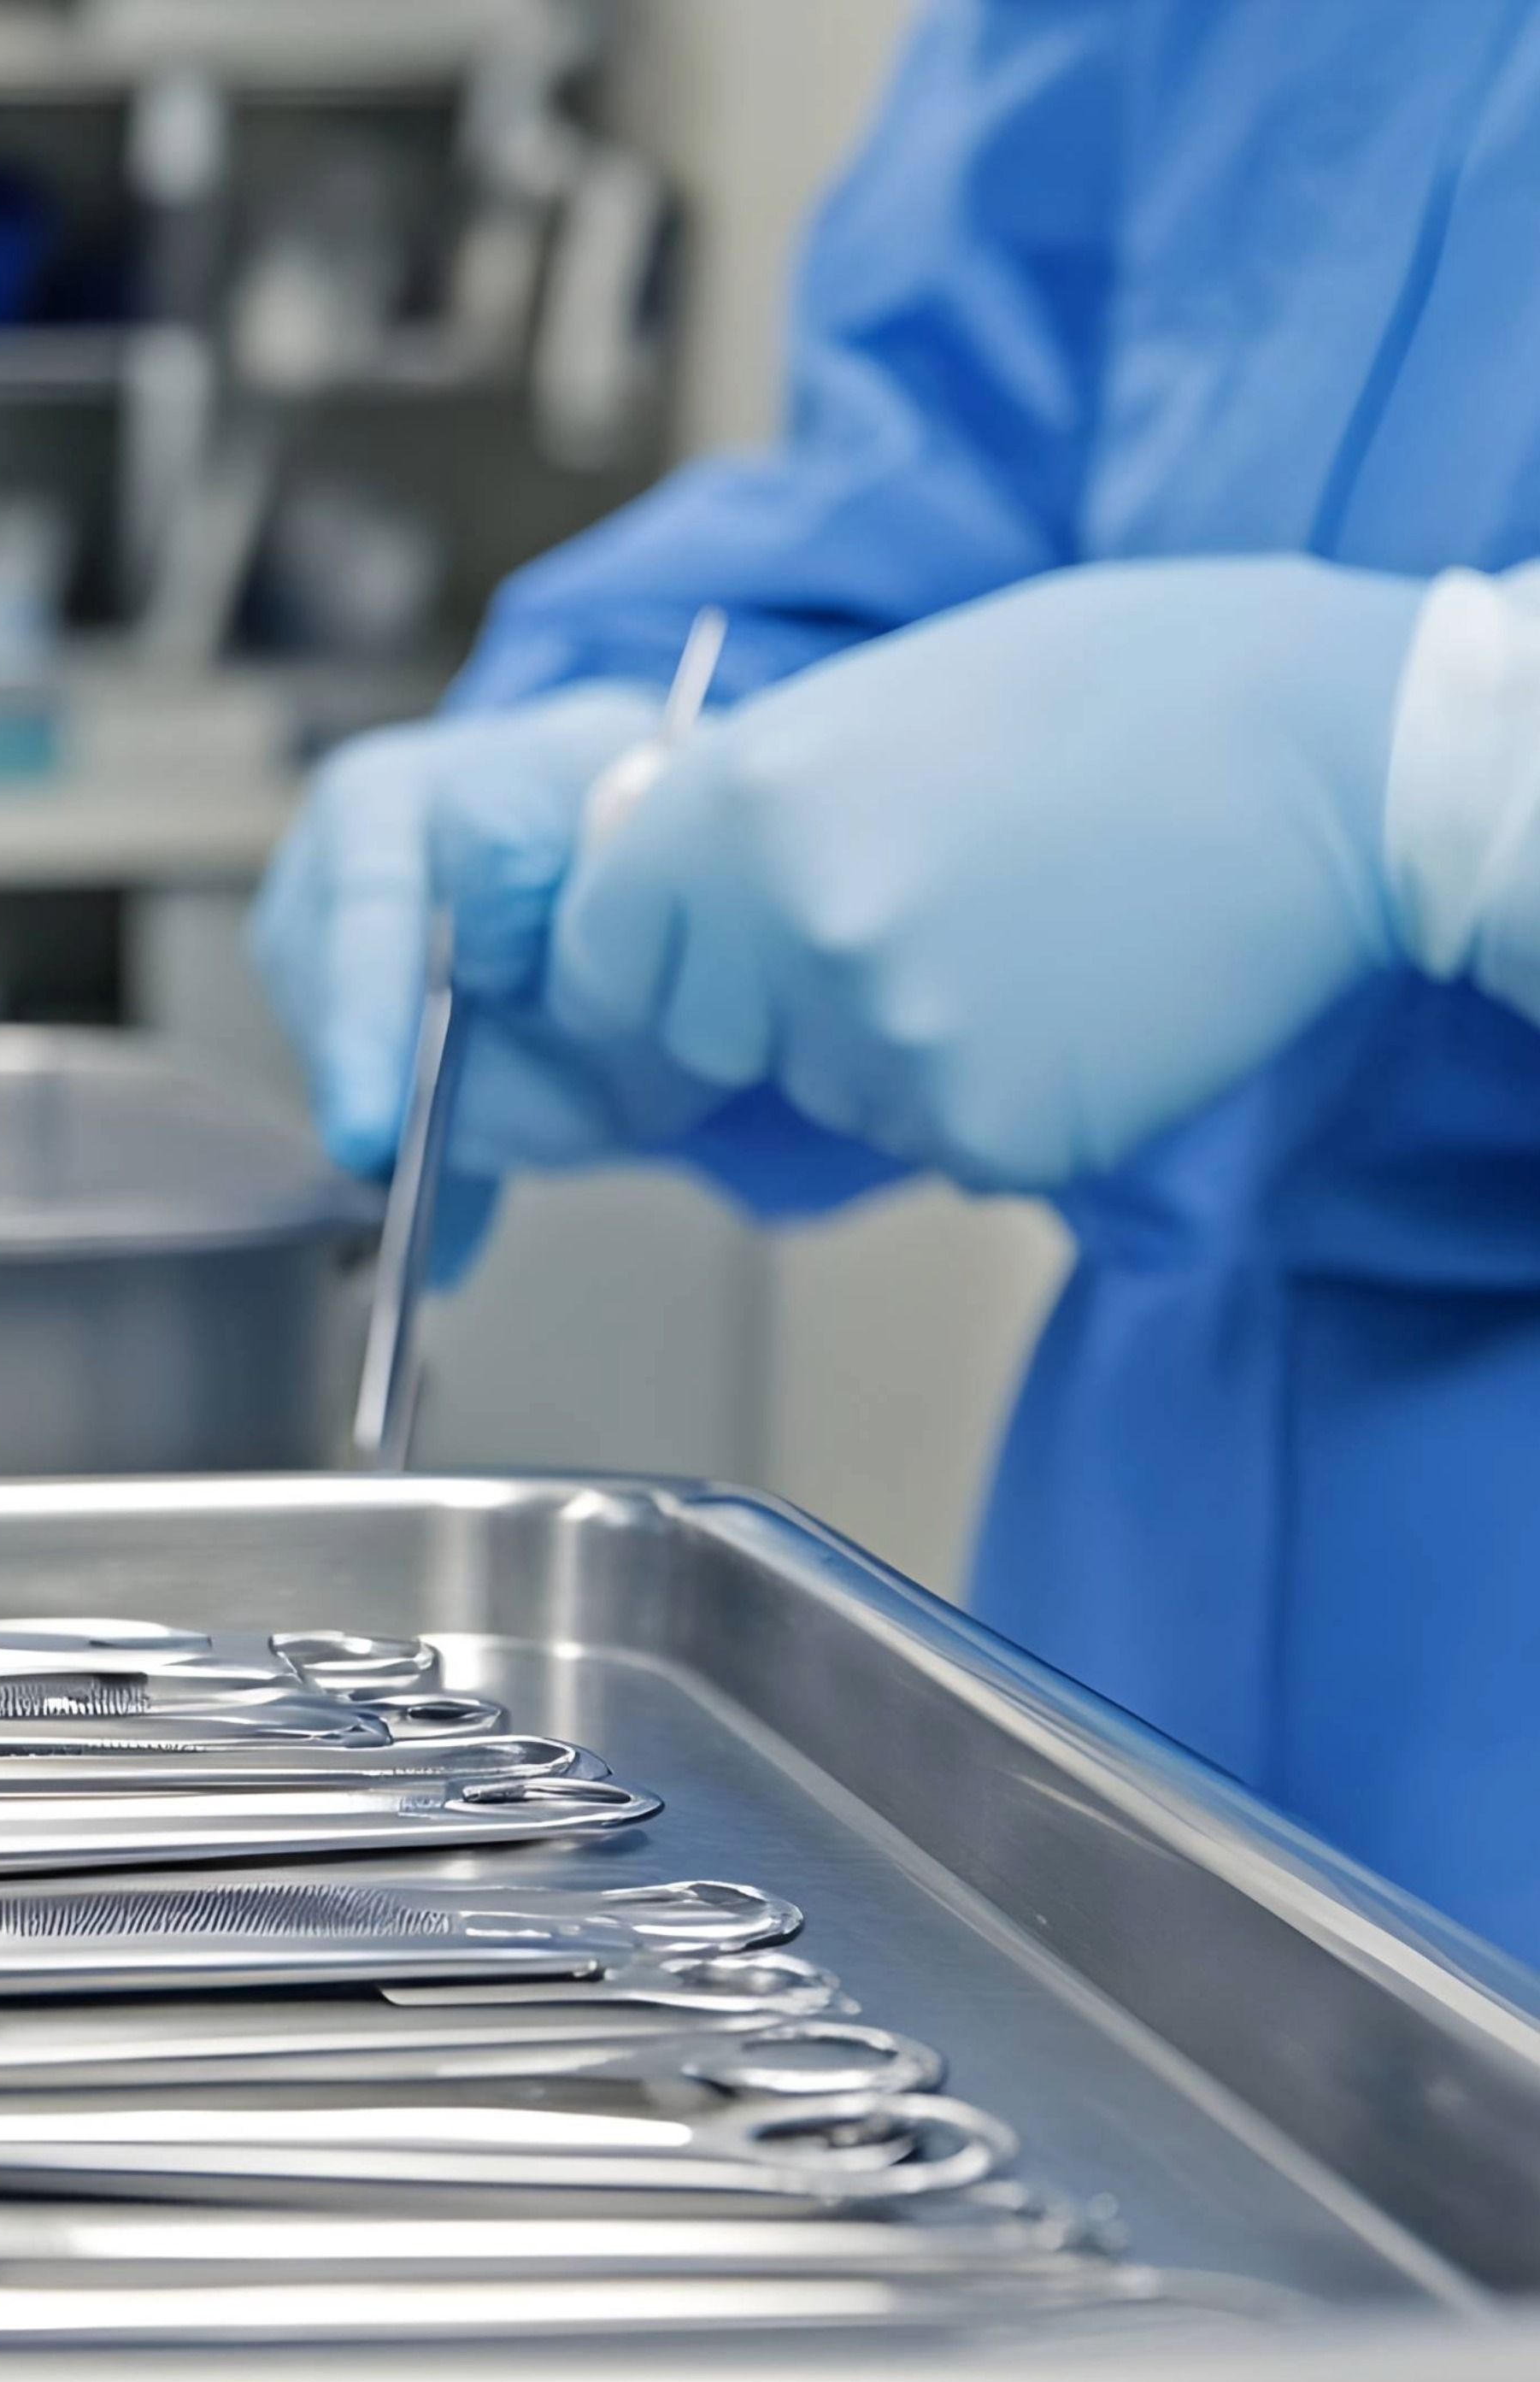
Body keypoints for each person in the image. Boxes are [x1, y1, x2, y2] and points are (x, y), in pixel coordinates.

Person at [256, 0, 1540, 1966]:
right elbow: (956, 490)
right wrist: (658, 798)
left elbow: (1284, 742)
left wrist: (1463, 765)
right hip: (1145, 1708)